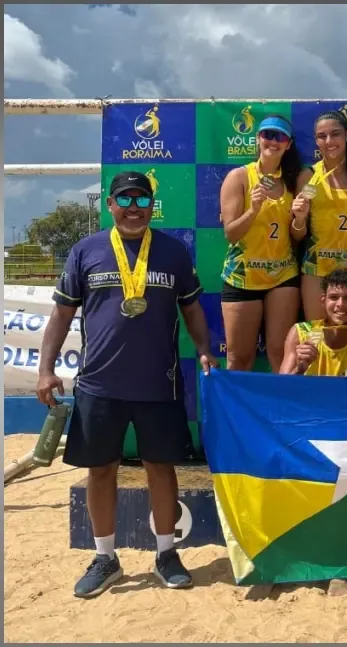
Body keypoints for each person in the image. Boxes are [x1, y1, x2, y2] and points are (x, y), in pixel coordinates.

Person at [35, 171, 216, 598]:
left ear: (152, 206)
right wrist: (45, 369)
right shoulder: (86, 251)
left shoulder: (173, 252)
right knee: (101, 470)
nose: (133, 209)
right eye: (124, 200)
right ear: (110, 205)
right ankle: (104, 558)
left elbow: (192, 310)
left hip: (159, 383)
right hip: (99, 384)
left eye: (141, 200)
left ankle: (167, 553)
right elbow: (61, 315)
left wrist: (204, 348)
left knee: (161, 468)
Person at [218, 114, 302, 372]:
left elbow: (297, 236)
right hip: (243, 277)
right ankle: (236, 413)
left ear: (288, 144)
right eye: (268, 134)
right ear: (258, 139)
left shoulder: (294, 180)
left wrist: (301, 218)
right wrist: (253, 210)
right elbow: (231, 234)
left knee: (281, 355)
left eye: (280, 137)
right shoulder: (239, 177)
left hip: (282, 275)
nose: (273, 141)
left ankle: (281, 412)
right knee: (239, 359)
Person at [290, 110, 347, 332]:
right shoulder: (308, 176)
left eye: (335, 134)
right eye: (322, 136)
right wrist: (299, 219)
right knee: (320, 341)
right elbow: (297, 235)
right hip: (317, 271)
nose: (329, 141)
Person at [279, 269, 347, 376]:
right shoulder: (300, 332)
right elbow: (282, 386)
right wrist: (300, 368)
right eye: (334, 297)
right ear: (323, 299)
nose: (340, 304)